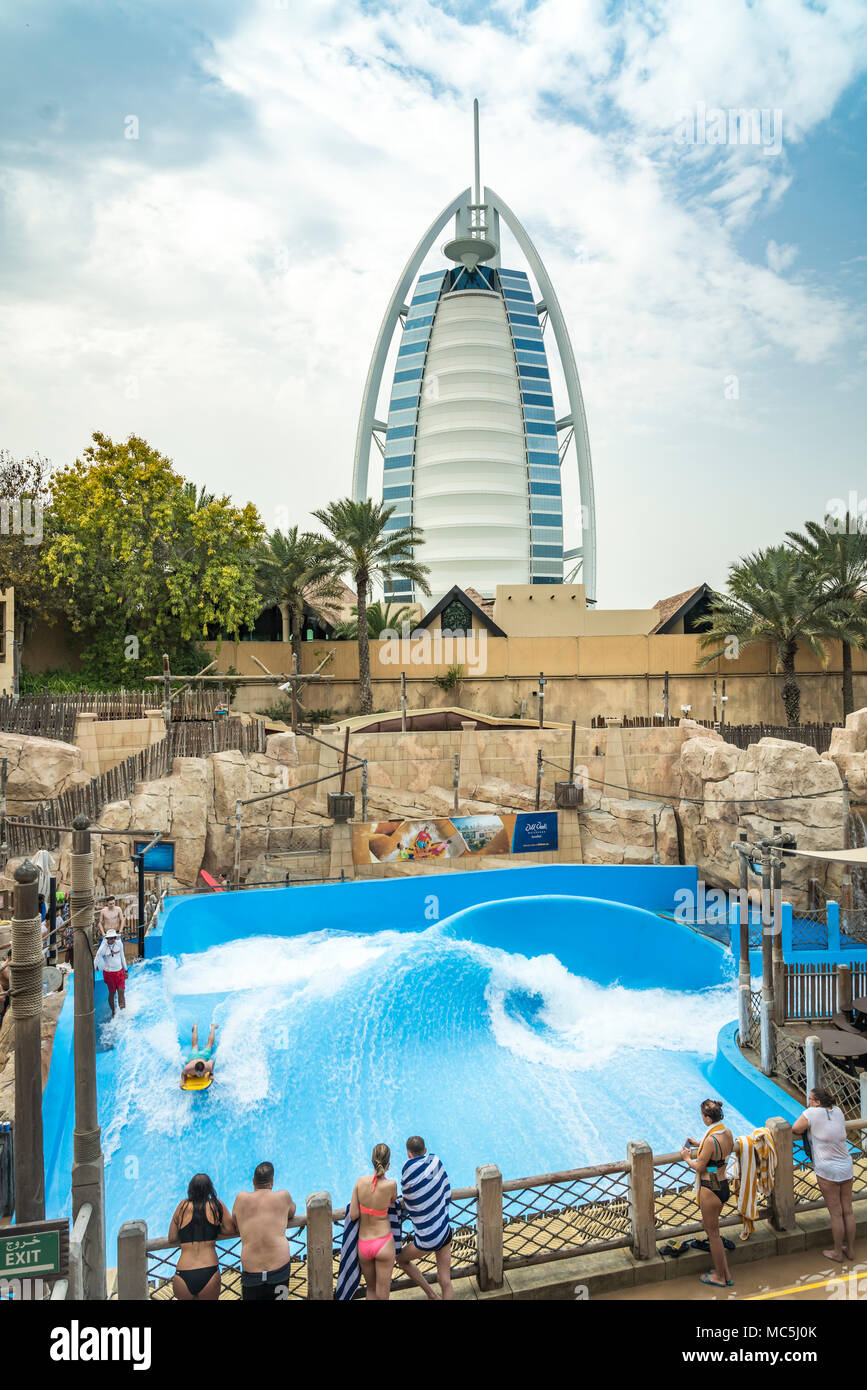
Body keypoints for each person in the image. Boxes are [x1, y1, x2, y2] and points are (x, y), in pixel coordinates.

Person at [792, 1087, 855, 1263]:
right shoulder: (838, 1111)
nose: (808, 1102)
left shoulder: (812, 1113)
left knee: (836, 1213)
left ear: (817, 1102)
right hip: (846, 1165)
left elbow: (797, 1128)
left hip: (827, 1169)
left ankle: (837, 1252)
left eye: (810, 1099)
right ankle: (850, 1250)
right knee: (848, 1211)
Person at [681, 1098, 734, 1288]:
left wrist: (687, 1157)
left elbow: (699, 1166)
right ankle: (725, 1273)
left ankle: (720, 1277)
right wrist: (699, 1144)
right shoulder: (726, 1132)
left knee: (713, 1234)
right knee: (711, 1228)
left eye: (703, 1116)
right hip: (720, 1183)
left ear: (708, 1119)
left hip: (710, 1189)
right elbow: (714, 1162)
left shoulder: (711, 1140)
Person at [396, 1136, 453, 1300]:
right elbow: (443, 1184)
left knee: (401, 1259)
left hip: (428, 1238)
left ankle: (431, 1295)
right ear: (425, 1150)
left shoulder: (408, 1172)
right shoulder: (435, 1161)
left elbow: (409, 1198)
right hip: (444, 1230)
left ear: (408, 1154)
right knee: (445, 1280)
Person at [232, 1162, 296, 1301]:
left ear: (253, 1181)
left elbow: (235, 1222)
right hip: (280, 1271)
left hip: (251, 1274)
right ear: (272, 1181)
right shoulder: (283, 1196)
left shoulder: (241, 1199)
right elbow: (292, 1212)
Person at [168, 1172, 237, 1301]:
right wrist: (216, 1229)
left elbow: (172, 1237)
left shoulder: (182, 1206)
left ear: (191, 1189)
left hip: (184, 1272)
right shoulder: (216, 1205)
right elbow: (230, 1230)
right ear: (210, 1188)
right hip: (209, 1271)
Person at [349, 1143, 397, 1300]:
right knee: (383, 1293)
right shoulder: (391, 1185)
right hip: (383, 1242)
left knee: (370, 1289)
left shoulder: (360, 1181)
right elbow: (393, 1200)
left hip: (364, 1244)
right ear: (388, 1164)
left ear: (372, 1160)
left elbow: (353, 1214)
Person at [94, 928, 127, 1017]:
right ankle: (113, 1011)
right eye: (110, 938)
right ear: (107, 939)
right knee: (112, 992)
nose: (112, 940)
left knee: (121, 991)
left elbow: (122, 956)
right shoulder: (103, 948)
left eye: (113, 938)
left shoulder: (119, 943)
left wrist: (126, 970)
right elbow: (97, 959)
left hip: (119, 972)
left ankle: (123, 1012)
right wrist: (92, 971)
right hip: (109, 973)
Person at [0, 950, 11, 1026]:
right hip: (3, 990)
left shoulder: (9, 966)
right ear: (10, 957)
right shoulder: (4, 967)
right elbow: (10, 979)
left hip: (8, 990)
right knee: (3, 1010)